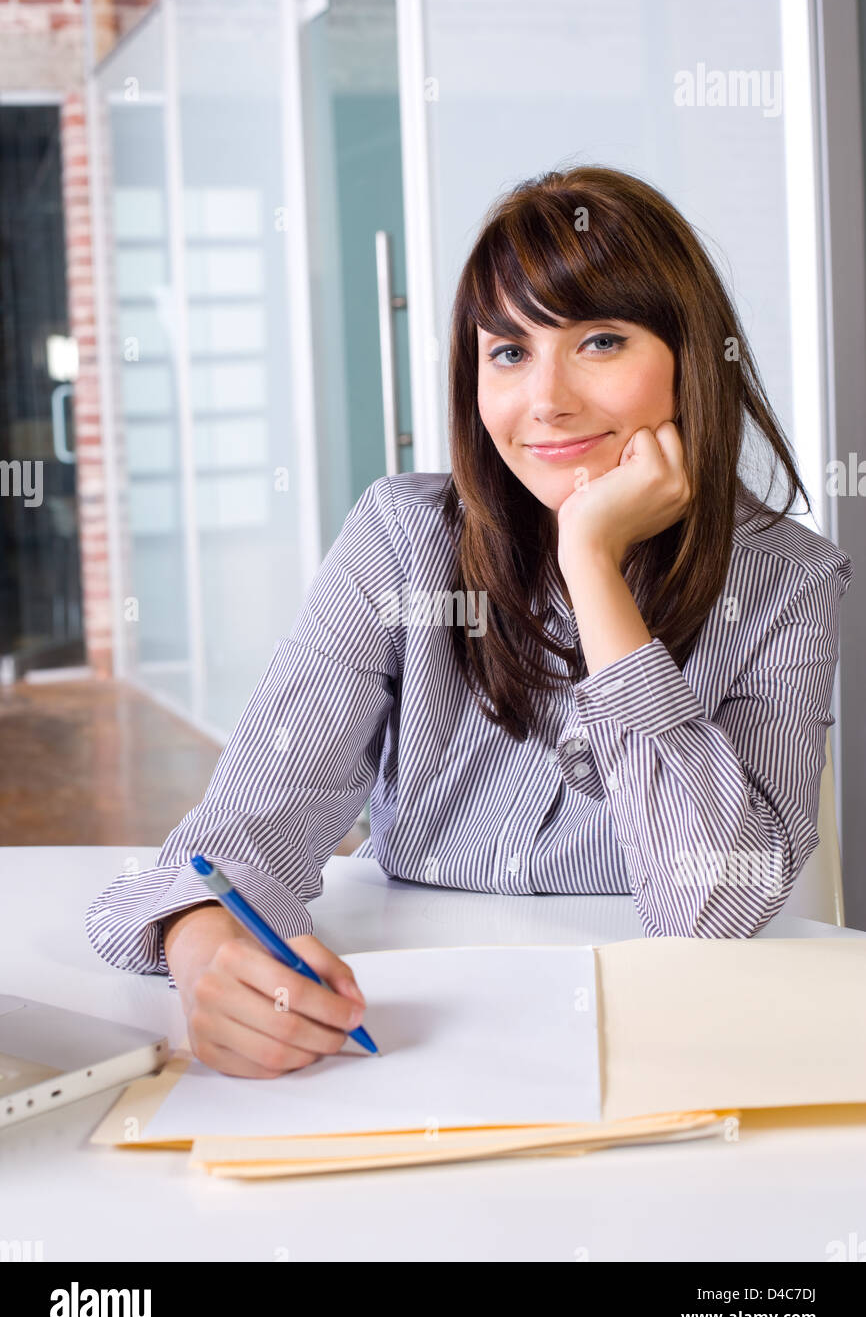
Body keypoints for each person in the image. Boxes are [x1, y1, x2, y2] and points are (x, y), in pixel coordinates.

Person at [86, 164, 852, 1080]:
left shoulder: (788, 582)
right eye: (509, 352)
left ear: (692, 356)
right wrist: (205, 946)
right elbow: (253, 817)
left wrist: (593, 570)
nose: (548, 400)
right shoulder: (402, 538)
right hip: (411, 1028)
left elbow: (713, 906)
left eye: (600, 341)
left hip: (664, 1042)